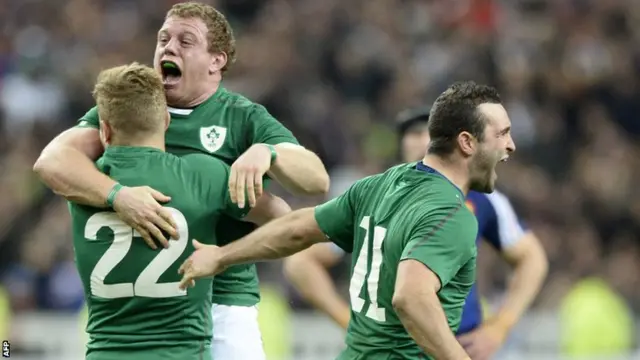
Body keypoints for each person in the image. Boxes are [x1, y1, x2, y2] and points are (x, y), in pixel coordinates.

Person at [33, 3, 329, 359]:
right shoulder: (133, 106)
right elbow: (52, 162)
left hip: (222, 301)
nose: (168, 47)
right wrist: (118, 196)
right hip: (141, 310)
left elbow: (315, 181)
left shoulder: (242, 117)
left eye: (185, 40)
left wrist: (270, 153)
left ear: (215, 61)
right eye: (163, 38)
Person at [178, 81, 516, 359]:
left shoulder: (380, 185)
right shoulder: (454, 214)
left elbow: (298, 229)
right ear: (467, 143)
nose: (511, 145)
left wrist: (221, 256)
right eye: (501, 134)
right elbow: (411, 297)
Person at [283, 107, 548, 359]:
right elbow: (301, 263)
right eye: (415, 133)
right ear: (401, 144)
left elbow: (532, 258)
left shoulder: (482, 199)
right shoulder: (376, 197)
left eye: (431, 133)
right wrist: (347, 319)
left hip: (457, 342)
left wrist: (500, 326)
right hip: (394, 348)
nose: (424, 140)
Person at [69, 63, 281, 360]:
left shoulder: (80, 180)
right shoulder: (204, 176)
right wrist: (226, 255)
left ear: (104, 130)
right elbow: (282, 219)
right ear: (166, 120)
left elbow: (55, 164)